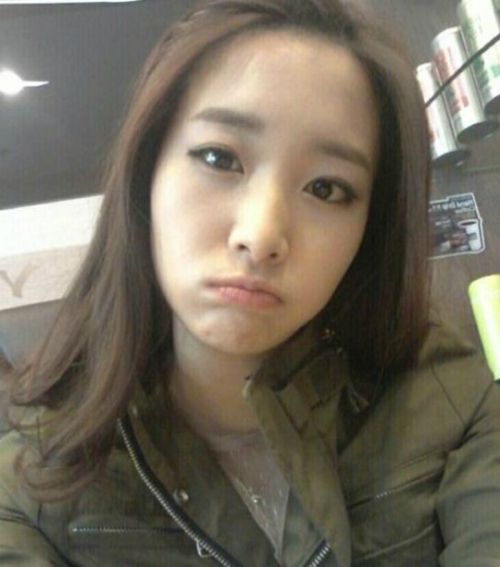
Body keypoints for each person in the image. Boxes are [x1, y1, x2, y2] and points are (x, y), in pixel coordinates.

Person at [1, 0, 499, 565]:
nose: (261, 236)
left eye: (327, 188)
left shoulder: (450, 398)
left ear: (370, 226)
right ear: (147, 174)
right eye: (219, 158)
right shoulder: (32, 483)